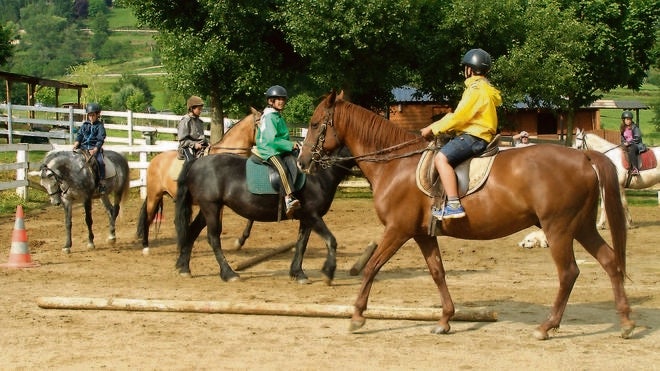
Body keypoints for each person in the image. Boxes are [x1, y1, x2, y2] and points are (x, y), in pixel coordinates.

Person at [420, 48, 502, 219]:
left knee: (441, 159)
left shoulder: (475, 89)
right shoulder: (486, 89)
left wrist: (432, 129)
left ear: (470, 69)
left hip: (473, 136)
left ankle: (454, 204)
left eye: (465, 67)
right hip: (480, 135)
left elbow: (459, 117)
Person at [252, 85, 300, 218]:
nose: (281, 101)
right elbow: (272, 140)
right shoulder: (270, 117)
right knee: (282, 168)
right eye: (277, 99)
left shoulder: (277, 116)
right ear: (270, 101)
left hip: (277, 147)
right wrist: (290, 145)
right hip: (268, 149)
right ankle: (288, 199)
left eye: (283, 99)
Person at [73, 102, 107, 194]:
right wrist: (76, 143)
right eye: (89, 115)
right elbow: (80, 135)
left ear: (97, 115)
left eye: (93, 115)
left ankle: (102, 182)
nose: (91, 117)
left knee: (100, 162)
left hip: (94, 149)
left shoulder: (100, 126)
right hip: (83, 148)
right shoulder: (85, 125)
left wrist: (96, 148)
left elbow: (101, 138)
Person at [177, 95, 208, 162]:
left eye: (201, 109)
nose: (200, 111)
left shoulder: (199, 121)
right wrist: (194, 144)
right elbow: (182, 140)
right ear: (191, 109)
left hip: (200, 147)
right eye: (199, 109)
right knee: (191, 164)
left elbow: (201, 137)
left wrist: (208, 143)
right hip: (187, 148)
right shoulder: (185, 121)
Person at [620, 110, 646, 175]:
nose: (628, 121)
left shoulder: (635, 127)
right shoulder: (623, 128)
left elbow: (637, 138)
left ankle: (635, 169)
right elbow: (622, 138)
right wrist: (624, 143)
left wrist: (628, 143)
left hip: (636, 144)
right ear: (624, 120)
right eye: (626, 119)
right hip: (628, 144)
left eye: (629, 119)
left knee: (631, 149)